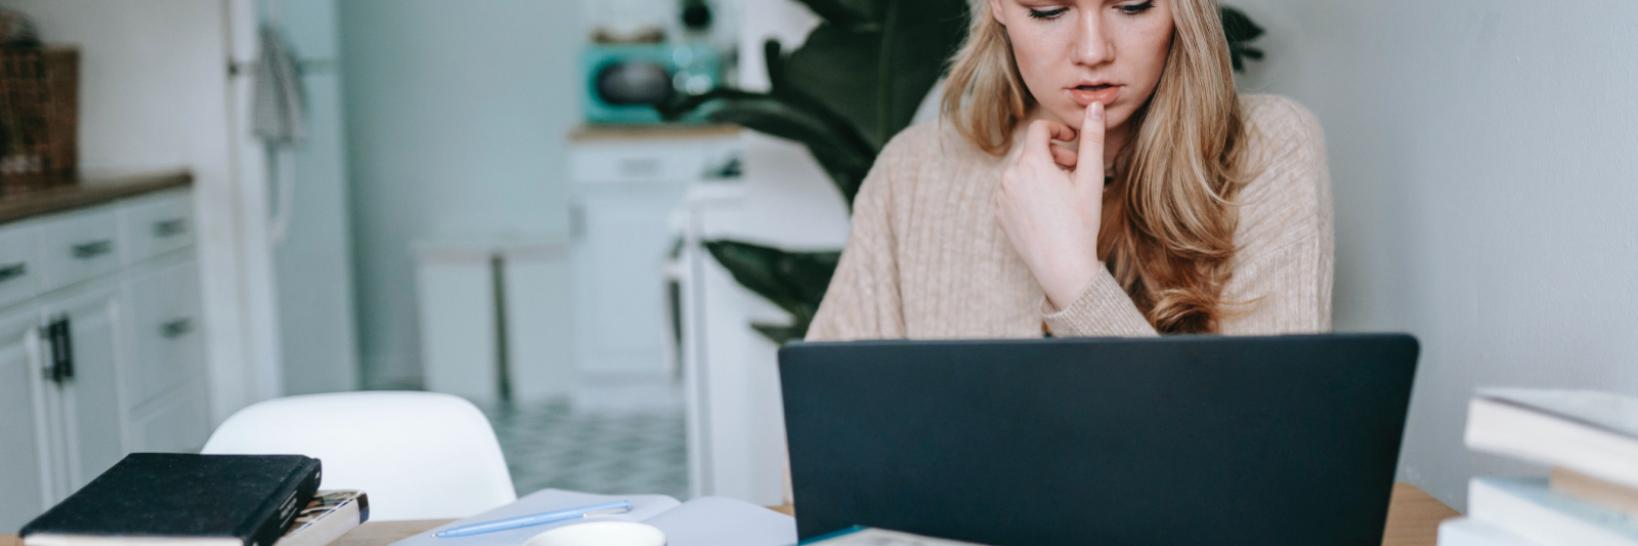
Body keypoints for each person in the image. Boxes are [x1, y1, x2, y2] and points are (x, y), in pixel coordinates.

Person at [807, 0, 1333, 340]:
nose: (1092, 51)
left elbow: (1262, 462)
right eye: (1048, 9)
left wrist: (1073, 279)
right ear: (998, 8)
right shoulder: (913, 172)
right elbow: (822, 444)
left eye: (1132, 5)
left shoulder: (1268, 149)